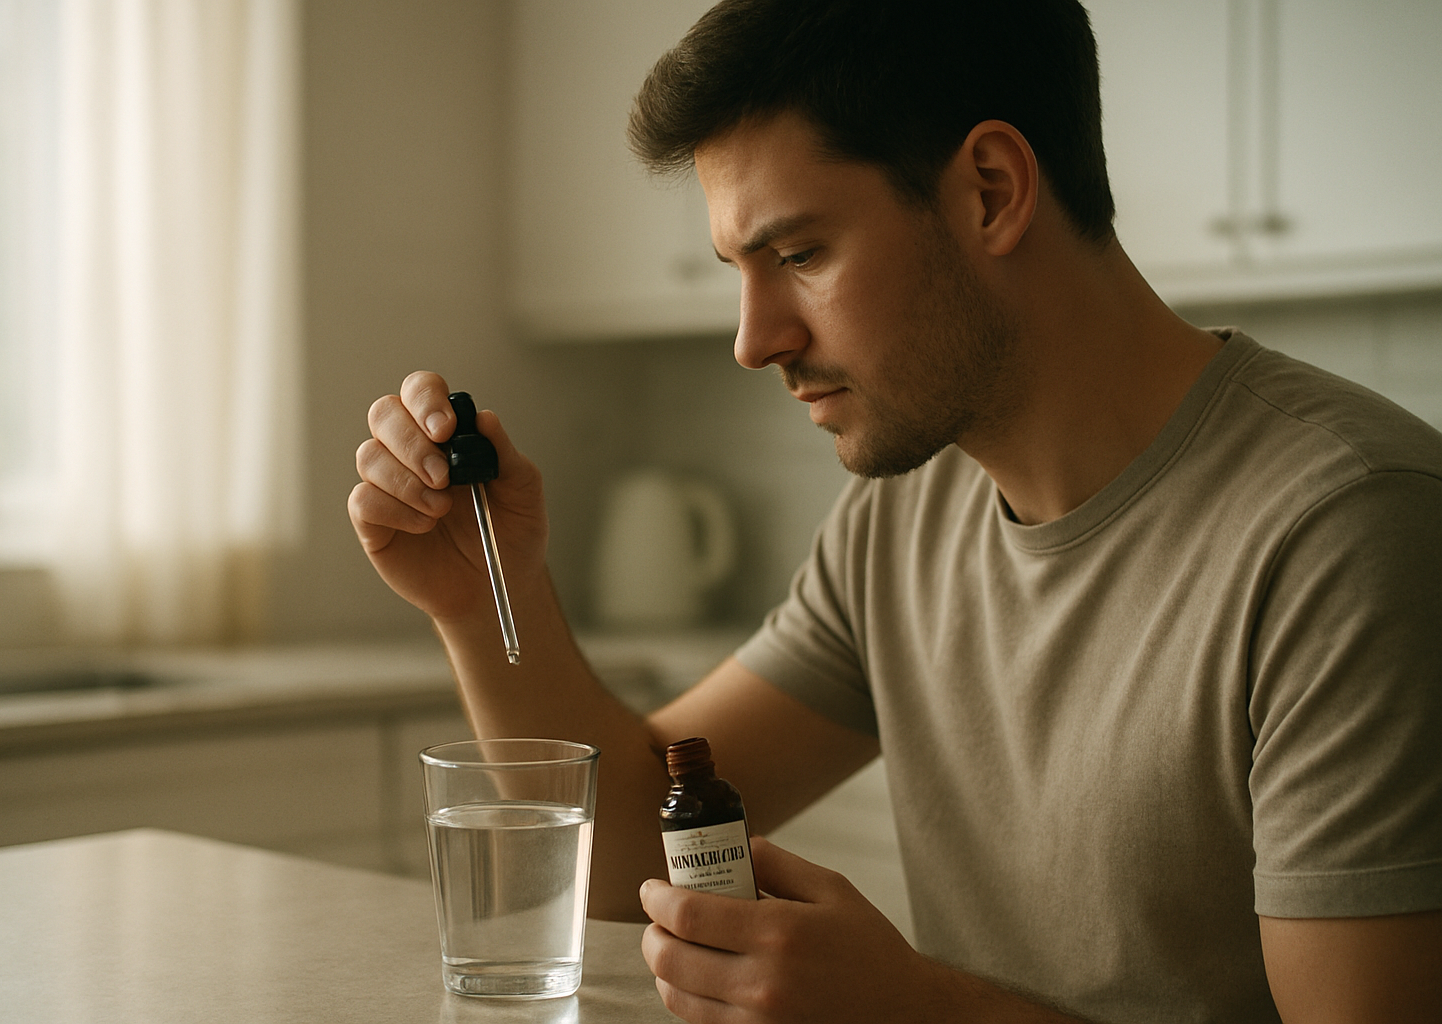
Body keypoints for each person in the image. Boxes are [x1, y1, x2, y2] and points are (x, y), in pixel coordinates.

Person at [349, 0, 1442, 1020]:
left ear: (992, 192)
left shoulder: (1347, 532)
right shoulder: (902, 518)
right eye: (740, 268)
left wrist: (911, 1007)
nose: (752, 338)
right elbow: (642, 839)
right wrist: (485, 588)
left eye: (800, 254)